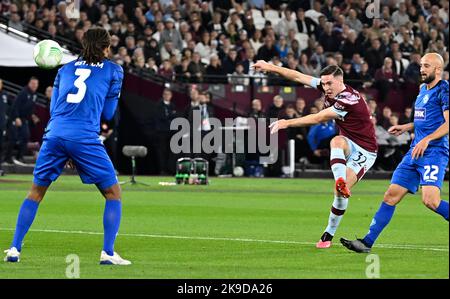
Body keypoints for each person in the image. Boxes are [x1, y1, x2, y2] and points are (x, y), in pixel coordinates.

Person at [4, 28, 130, 265]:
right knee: (113, 193)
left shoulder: (65, 69)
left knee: (35, 192)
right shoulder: (114, 70)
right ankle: (108, 253)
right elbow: (108, 113)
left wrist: (65, 147)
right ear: (105, 47)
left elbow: (54, 110)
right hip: (83, 136)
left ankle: (14, 249)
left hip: (55, 134)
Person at [253, 60, 378, 249]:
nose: (325, 87)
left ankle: (329, 232)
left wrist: (286, 123)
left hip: (365, 150)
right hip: (347, 141)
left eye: (329, 84)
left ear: (340, 81)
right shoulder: (327, 86)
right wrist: (271, 67)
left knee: (339, 196)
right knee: (335, 141)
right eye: (323, 83)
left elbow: (318, 117)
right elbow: (297, 76)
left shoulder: (347, 100)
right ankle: (340, 181)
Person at [341, 53, 449, 253]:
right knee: (390, 196)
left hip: (434, 152)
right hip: (414, 153)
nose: (422, 69)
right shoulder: (422, 90)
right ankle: (366, 242)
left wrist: (427, 139)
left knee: (431, 201)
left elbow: (448, 123)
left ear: (438, 70)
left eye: (427, 66)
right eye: (421, 65)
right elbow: (425, 120)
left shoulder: (445, 90)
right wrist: (407, 126)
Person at [4, 77, 39, 166]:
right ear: (29, 84)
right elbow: (15, 105)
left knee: (26, 136)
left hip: (24, 119)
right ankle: (7, 159)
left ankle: (19, 157)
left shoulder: (34, 95)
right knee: (13, 138)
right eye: (33, 84)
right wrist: (16, 117)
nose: (34, 86)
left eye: (36, 84)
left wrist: (32, 115)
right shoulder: (23, 92)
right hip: (15, 118)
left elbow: (30, 107)